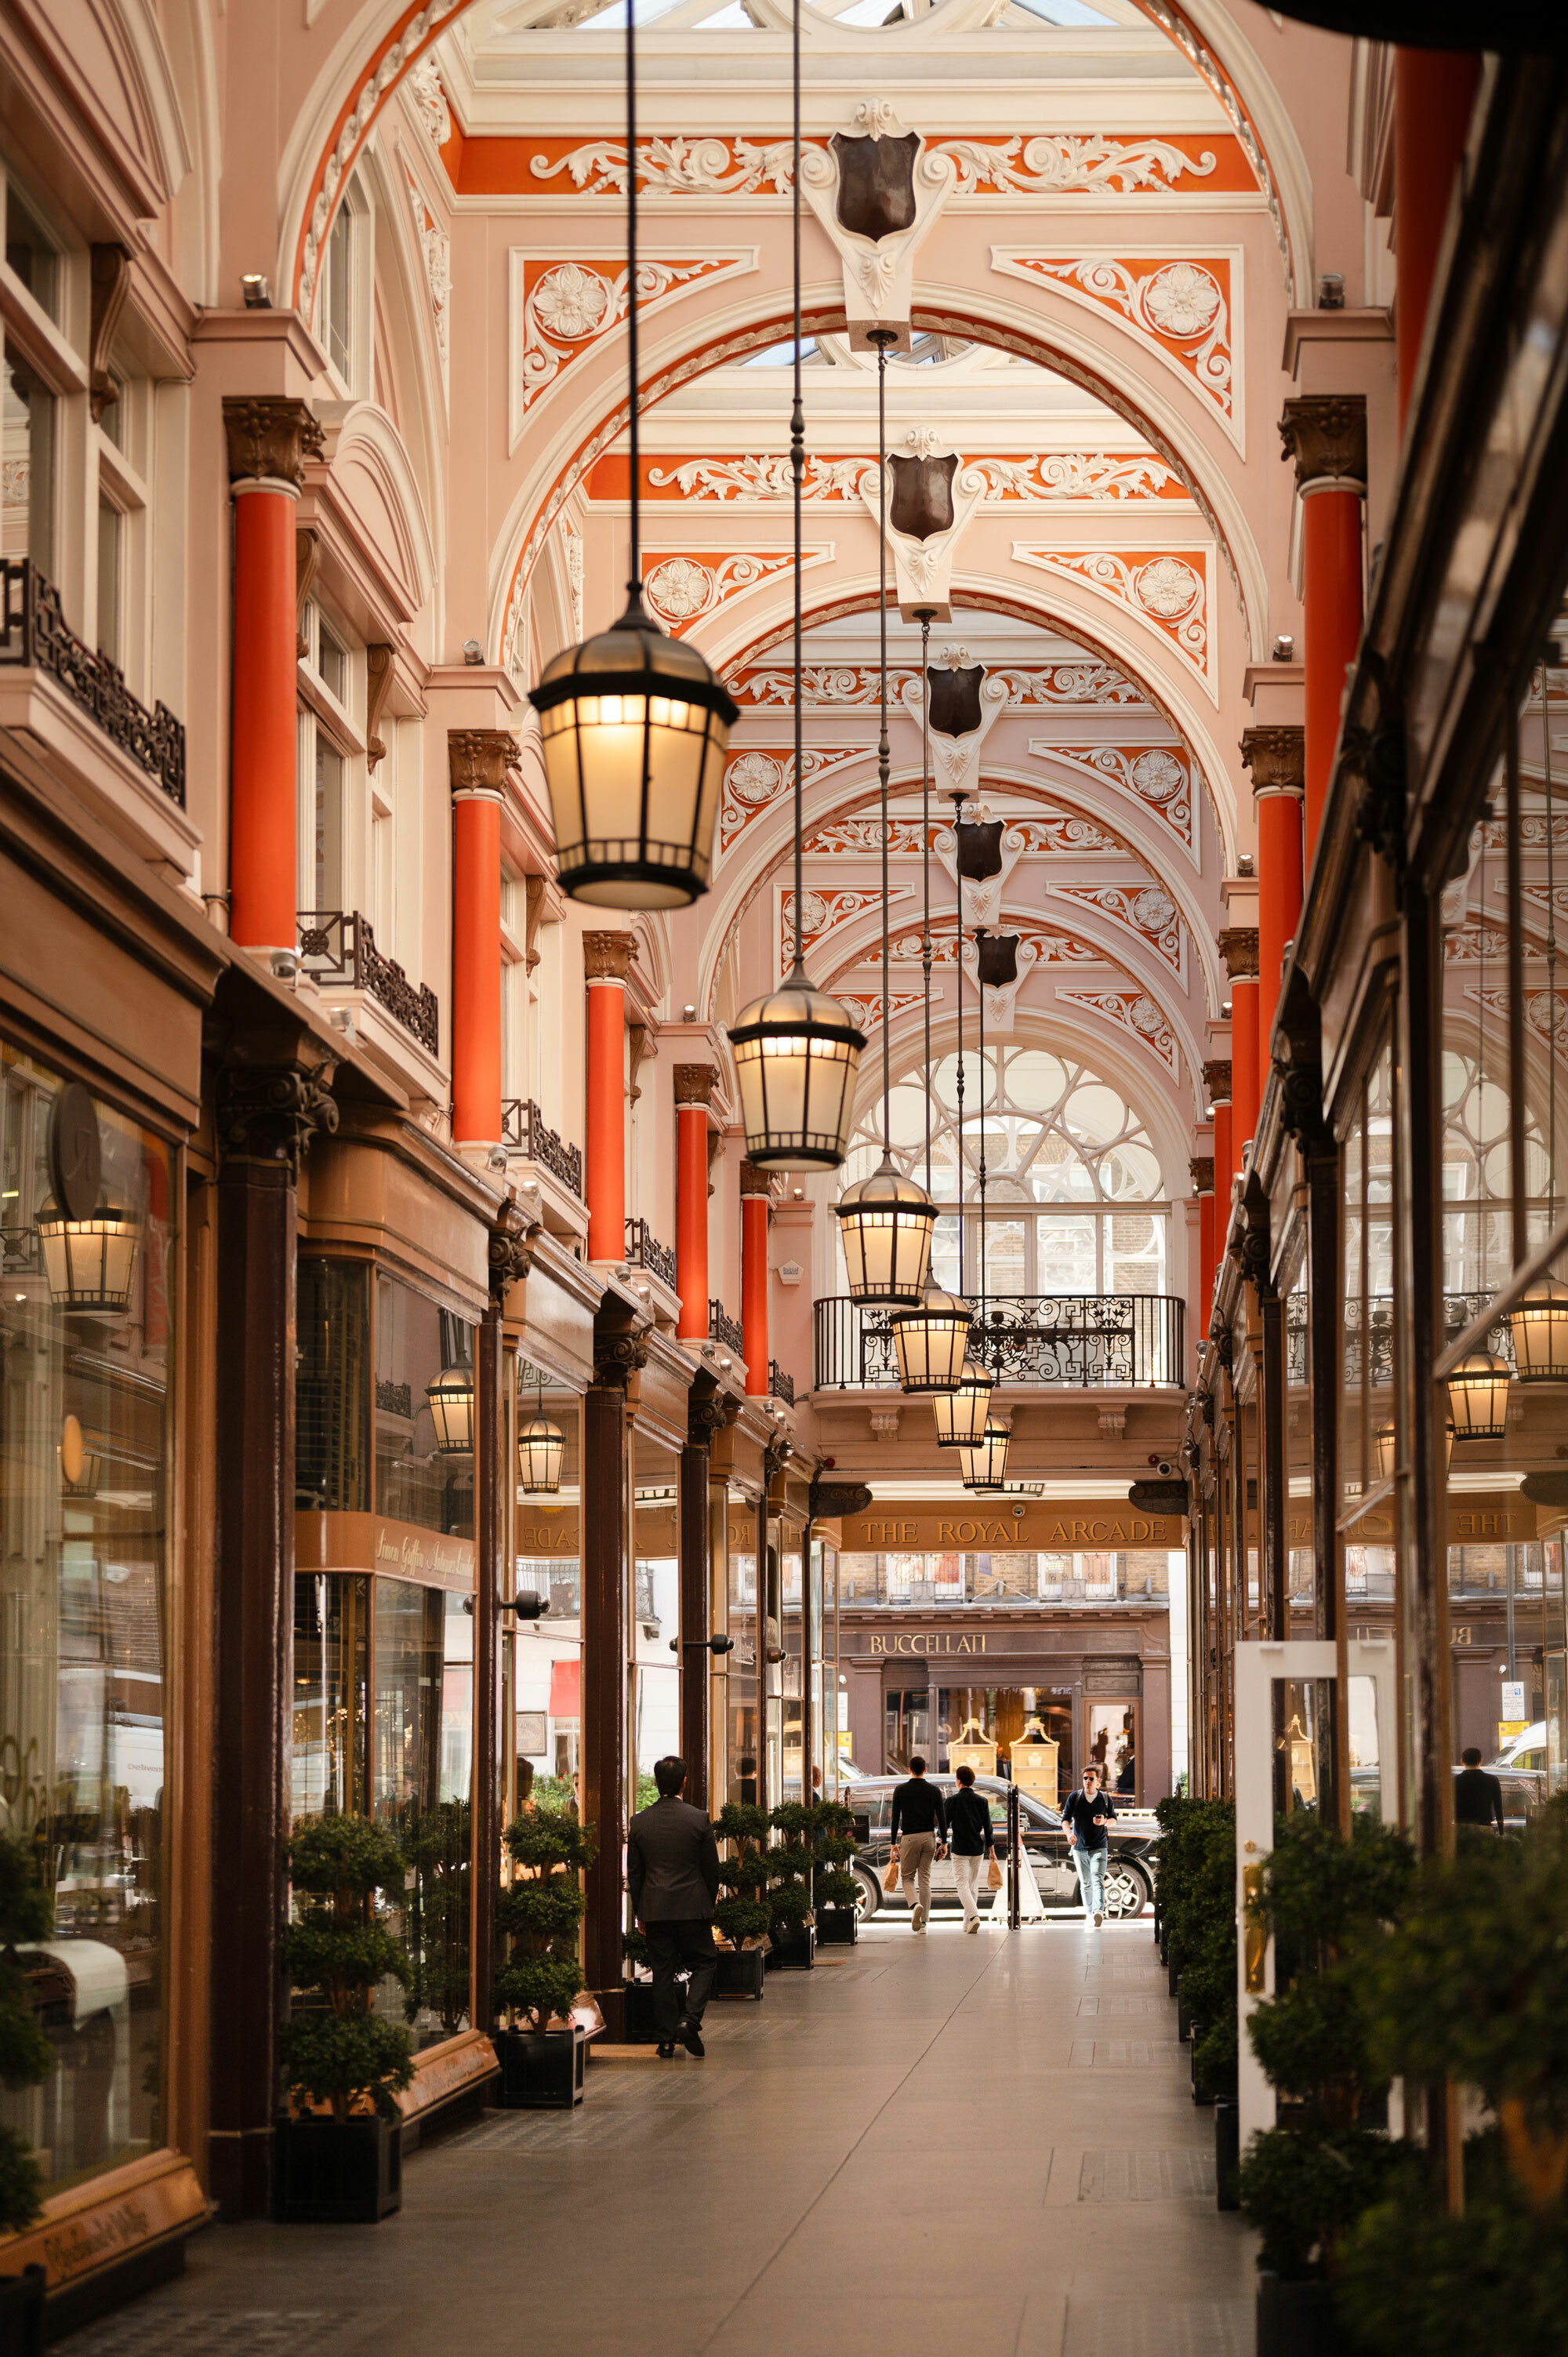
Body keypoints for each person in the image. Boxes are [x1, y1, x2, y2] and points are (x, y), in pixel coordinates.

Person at [626, 1755, 721, 2057]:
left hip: (655, 1909)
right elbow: (712, 1870)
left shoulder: (639, 1822)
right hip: (693, 1907)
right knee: (705, 1963)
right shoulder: (699, 1819)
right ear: (684, 1782)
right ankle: (689, 2020)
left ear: (656, 1783)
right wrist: (707, 1904)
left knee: (662, 1973)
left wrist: (640, 1912)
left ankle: (666, 2041)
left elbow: (635, 1874)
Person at [889, 1753, 947, 1932]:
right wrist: (944, 1842)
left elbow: (895, 1818)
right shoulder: (934, 1791)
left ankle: (914, 1905)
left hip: (909, 1837)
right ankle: (923, 1923)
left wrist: (893, 1843)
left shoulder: (900, 1790)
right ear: (925, 1770)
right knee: (925, 1880)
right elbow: (943, 1818)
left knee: (907, 1877)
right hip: (929, 1837)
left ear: (909, 1770)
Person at [1062, 1762, 1116, 1927]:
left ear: (1097, 1780)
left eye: (1091, 1779)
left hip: (1099, 1846)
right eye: (1085, 1778)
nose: (1088, 1781)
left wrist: (1104, 1822)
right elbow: (1064, 1819)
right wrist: (1069, 1834)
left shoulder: (1104, 1798)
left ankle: (1099, 1911)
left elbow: (1114, 1820)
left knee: (1098, 1879)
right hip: (1079, 1847)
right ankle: (1089, 1913)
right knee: (1086, 1882)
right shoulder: (1075, 1797)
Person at [946, 1762, 996, 1934]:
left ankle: (974, 1916)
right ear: (972, 1781)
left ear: (958, 1781)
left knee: (961, 1885)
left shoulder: (952, 1801)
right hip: (977, 1848)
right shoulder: (982, 1801)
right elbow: (988, 1827)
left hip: (960, 1848)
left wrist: (942, 1844)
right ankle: (967, 1922)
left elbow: (943, 1825)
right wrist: (992, 1849)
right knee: (972, 1886)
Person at [1454, 1745, 1505, 1833]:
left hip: (1461, 1830)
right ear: (1481, 1761)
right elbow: (1498, 1809)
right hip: (1485, 1829)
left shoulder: (1454, 1782)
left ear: (1462, 1761)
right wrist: (1501, 1832)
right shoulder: (1492, 1780)